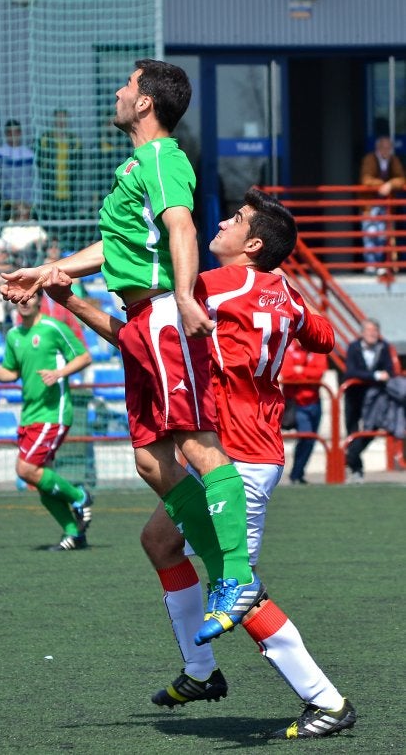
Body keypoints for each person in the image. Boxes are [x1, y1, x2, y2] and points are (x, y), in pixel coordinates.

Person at [43, 187, 356, 740]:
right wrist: (285, 308)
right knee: (160, 542)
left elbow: (137, 337)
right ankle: (200, 671)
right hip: (245, 448)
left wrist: (68, 290)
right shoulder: (283, 290)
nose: (220, 224)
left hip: (232, 459)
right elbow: (327, 338)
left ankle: (326, 700)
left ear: (252, 244)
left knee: (239, 589)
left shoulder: (206, 288)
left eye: (235, 220)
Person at [1, 59, 268, 644]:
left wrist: (184, 297)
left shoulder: (162, 156)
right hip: (142, 319)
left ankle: (238, 575)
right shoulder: (136, 164)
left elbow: (181, 228)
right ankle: (226, 583)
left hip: (165, 315)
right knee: (152, 462)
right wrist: (49, 270)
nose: (119, 93)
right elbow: (117, 244)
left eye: (126, 86)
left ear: (145, 103)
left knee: (199, 445)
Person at [0, 290, 93, 551]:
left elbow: (84, 356)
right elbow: (11, 372)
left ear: (38, 299)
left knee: (25, 469)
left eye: (29, 297)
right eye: (19, 298)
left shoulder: (52, 328)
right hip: (30, 414)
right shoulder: (14, 335)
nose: (24, 302)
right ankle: (74, 534)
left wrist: (59, 373)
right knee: (41, 480)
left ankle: (79, 496)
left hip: (54, 412)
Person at [344, 317, 395, 483]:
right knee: (351, 431)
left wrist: (378, 376)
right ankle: (356, 469)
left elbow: (389, 371)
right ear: (362, 333)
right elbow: (351, 372)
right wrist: (374, 376)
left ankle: (351, 456)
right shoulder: (353, 347)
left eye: (375, 331)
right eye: (369, 330)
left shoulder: (384, 346)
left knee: (371, 430)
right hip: (354, 395)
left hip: (375, 398)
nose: (372, 334)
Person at [280, 338, 328, 485]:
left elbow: (320, 372)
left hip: (314, 401)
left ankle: (298, 473)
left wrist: (300, 371)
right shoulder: (289, 348)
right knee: (306, 436)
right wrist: (306, 373)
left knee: (310, 440)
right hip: (297, 403)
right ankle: (296, 474)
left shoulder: (317, 349)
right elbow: (286, 372)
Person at [359, 136, 405, 274]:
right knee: (370, 233)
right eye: (384, 147)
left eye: (389, 148)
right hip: (369, 204)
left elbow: (401, 178)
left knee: (382, 235)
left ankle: (378, 264)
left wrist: (390, 185)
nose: (386, 150)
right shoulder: (369, 159)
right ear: (378, 148)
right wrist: (383, 185)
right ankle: (371, 264)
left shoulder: (393, 160)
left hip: (385, 204)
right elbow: (366, 179)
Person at [35, 109, 82, 223]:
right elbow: (39, 163)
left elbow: (78, 166)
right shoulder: (45, 139)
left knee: (68, 220)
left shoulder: (74, 141)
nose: (61, 121)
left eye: (63, 118)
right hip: (50, 190)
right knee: (51, 220)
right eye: (58, 118)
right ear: (54, 120)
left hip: (69, 190)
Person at [0, 202, 48, 267]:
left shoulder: (33, 224)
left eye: (25, 213)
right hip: (14, 256)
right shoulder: (9, 225)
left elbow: (44, 238)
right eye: (20, 213)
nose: (22, 216)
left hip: (32, 255)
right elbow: (4, 242)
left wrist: (37, 242)